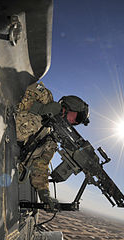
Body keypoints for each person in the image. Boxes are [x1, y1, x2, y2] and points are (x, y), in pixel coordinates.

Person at [15, 82, 89, 210]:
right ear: (70, 107)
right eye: (76, 118)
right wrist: (41, 110)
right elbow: (18, 91)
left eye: (77, 123)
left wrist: (45, 196)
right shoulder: (45, 96)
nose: (74, 123)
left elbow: (40, 168)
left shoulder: (50, 141)